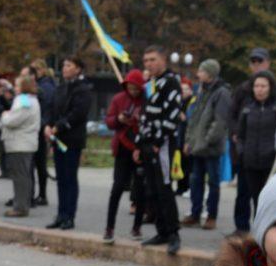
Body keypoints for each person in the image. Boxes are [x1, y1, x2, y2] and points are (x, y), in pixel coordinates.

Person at [230, 48, 276, 233]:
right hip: (249, 157)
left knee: (269, 197)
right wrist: (240, 146)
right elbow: (233, 117)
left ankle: (268, 231)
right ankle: (243, 228)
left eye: (259, 61)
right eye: (253, 62)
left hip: (270, 159)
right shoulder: (244, 95)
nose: (256, 65)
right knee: (246, 194)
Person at [138, 45, 184, 254]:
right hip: (148, 143)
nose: (149, 64)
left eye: (153, 59)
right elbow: (146, 114)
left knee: (165, 188)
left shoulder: (172, 82)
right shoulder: (150, 83)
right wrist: (140, 143)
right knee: (152, 189)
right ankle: (161, 230)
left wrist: (157, 141)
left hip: (163, 144)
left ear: (163, 60)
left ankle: (173, 233)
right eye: (146, 60)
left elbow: (172, 116)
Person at [43, 56, 93, 230]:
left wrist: (59, 126)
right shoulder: (61, 88)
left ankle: (69, 216)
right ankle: (60, 214)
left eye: (69, 65)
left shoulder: (83, 89)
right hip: (58, 139)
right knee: (61, 179)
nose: (64, 68)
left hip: (72, 140)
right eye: (63, 65)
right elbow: (51, 108)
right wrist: (48, 125)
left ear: (78, 69)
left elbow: (77, 113)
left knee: (70, 178)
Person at [181, 60, 232, 231]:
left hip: (210, 148)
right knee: (195, 181)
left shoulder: (222, 93)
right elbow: (194, 118)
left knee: (213, 182)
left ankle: (211, 216)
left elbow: (219, 122)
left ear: (210, 73)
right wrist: (189, 141)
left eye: (201, 71)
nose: (198, 73)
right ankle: (195, 214)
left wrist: (205, 141)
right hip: (197, 147)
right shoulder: (201, 90)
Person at [102, 69, 145, 242]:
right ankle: (109, 227)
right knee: (117, 187)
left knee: (140, 189)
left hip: (140, 148)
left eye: (136, 88)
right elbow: (109, 121)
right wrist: (119, 119)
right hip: (122, 148)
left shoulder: (146, 100)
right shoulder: (119, 99)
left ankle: (137, 226)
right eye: (130, 87)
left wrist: (137, 120)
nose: (133, 91)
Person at [0, 73, 41, 218]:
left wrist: (5, 115)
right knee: (22, 176)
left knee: (21, 177)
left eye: (17, 85)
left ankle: (21, 207)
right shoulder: (27, 99)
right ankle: (21, 204)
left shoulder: (24, 101)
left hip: (20, 143)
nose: (14, 88)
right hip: (22, 143)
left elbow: (14, 120)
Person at [30, 59, 55, 207]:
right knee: (40, 164)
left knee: (37, 164)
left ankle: (38, 195)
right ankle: (41, 194)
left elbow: (46, 108)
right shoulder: (48, 84)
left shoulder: (43, 87)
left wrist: (44, 124)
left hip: (39, 128)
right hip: (41, 126)